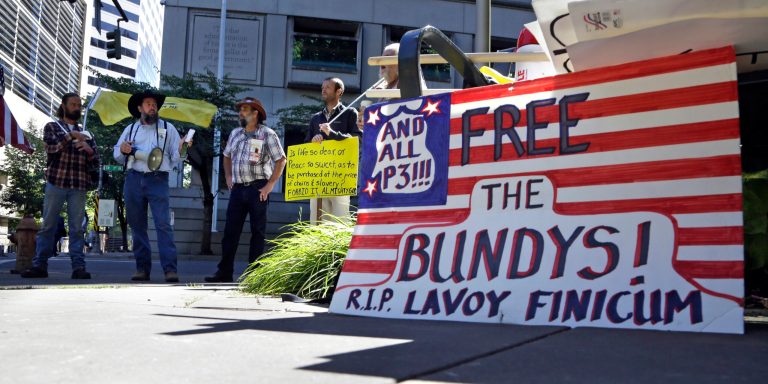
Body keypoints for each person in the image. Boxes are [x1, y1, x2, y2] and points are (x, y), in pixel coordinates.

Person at [205, 97, 286, 283]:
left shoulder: (268, 134)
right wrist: (228, 176)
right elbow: (226, 156)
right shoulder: (235, 133)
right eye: (240, 110)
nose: (240, 113)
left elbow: (281, 160)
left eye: (245, 110)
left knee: (258, 231)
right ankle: (224, 272)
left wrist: (270, 185)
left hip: (258, 188)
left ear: (255, 113)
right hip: (238, 188)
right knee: (230, 232)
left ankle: (253, 276)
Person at [113, 90, 189, 283]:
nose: (152, 107)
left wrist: (183, 148)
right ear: (140, 108)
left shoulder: (168, 128)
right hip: (134, 178)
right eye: (148, 104)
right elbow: (117, 154)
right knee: (137, 225)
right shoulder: (130, 129)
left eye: (154, 104)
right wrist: (122, 149)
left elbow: (177, 157)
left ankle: (170, 270)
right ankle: (142, 269)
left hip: (158, 179)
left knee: (163, 224)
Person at [21, 93, 98, 279]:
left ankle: (78, 267)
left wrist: (89, 151)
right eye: (73, 104)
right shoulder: (52, 127)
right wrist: (70, 136)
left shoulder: (87, 134)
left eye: (79, 105)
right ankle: (39, 265)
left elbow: (96, 162)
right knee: (48, 226)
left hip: (79, 184)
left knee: (77, 228)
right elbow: (51, 148)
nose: (77, 108)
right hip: (56, 182)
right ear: (63, 106)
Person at [305, 77, 360, 224]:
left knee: (340, 221)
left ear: (339, 92)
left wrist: (332, 133)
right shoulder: (316, 118)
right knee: (316, 222)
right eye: (322, 87)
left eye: (327, 87)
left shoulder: (350, 113)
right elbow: (305, 146)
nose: (323, 90)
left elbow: (357, 140)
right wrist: (313, 141)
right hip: (318, 177)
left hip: (341, 177)